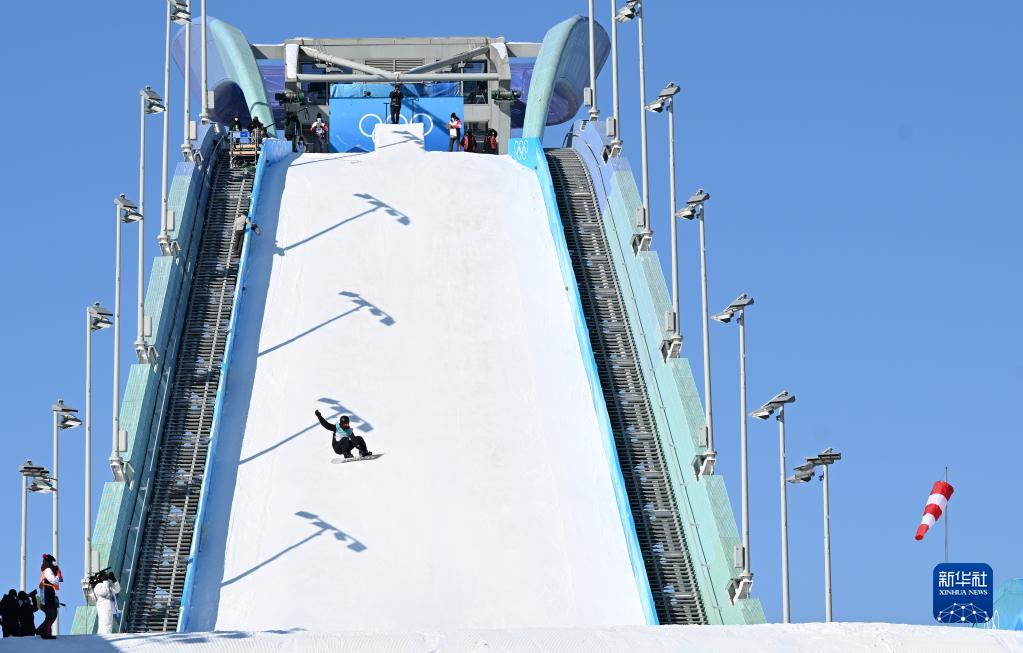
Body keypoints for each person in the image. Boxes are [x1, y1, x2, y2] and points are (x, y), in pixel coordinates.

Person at [35, 554, 61, 639]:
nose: (55, 564)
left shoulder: (46, 570)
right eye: (53, 562)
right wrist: (58, 576)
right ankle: (46, 633)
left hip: (48, 594)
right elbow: (54, 581)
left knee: (52, 615)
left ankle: (41, 630)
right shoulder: (48, 570)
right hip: (47, 595)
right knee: (51, 614)